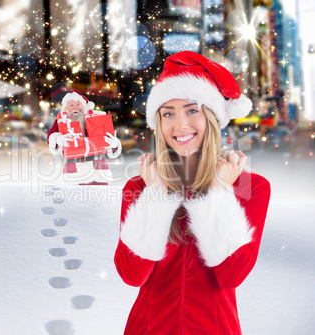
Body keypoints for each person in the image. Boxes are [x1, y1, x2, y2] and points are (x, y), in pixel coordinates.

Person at [114, 51, 271, 334]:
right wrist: (156, 196)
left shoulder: (250, 188)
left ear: (211, 116)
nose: (180, 125)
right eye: (168, 113)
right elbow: (131, 275)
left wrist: (220, 192)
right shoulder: (139, 188)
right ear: (158, 124)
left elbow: (232, 275)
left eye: (192, 110)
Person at [48, 90, 122, 185]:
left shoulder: (94, 118)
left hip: (98, 169)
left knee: (101, 196)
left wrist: (114, 145)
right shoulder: (60, 121)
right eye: (71, 105)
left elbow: (105, 139)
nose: (75, 108)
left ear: (83, 106)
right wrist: (58, 140)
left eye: (78, 105)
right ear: (66, 107)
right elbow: (51, 138)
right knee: (74, 197)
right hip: (74, 170)